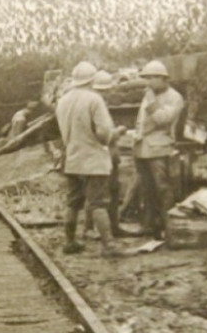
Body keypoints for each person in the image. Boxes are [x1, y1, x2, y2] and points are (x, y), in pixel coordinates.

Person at [54, 61, 121, 257]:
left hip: (72, 158)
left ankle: (69, 241)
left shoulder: (63, 101)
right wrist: (116, 134)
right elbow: (104, 134)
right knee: (98, 203)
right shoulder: (94, 100)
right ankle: (109, 245)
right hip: (93, 160)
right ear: (92, 80)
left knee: (73, 203)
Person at [132, 60, 184, 239]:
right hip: (143, 147)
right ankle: (149, 225)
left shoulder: (174, 97)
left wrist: (151, 101)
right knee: (146, 189)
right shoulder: (150, 94)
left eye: (152, 78)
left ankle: (169, 226)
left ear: (163, 78)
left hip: (160, 148)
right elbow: (141, 121)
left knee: (163, 188)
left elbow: (163, 119)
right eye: (146, 78)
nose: (148, 82)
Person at [85, 70, 132, 239]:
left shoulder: (102, 105)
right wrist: (118, 132)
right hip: (98, 155)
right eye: (102, 91)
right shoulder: (91, 106)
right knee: (96, 195)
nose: (105, 94)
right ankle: (90, 228)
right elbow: (100, 135)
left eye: (106, 91)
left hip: (111, 155)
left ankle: (114, 226)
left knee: (113, 191)